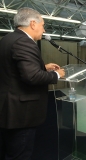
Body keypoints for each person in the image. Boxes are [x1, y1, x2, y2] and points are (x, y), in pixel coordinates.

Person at [0, 7, 65, 159]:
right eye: (43, 25)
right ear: (33, 24)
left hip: (8, 108)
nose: (43, 30)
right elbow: (32, 77)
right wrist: (56, 74)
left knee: (9, 151)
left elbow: (14, 70)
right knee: (19, 154)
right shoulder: (24, 42)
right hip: (20, 113)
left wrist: (43, 67)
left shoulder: (8, 39)